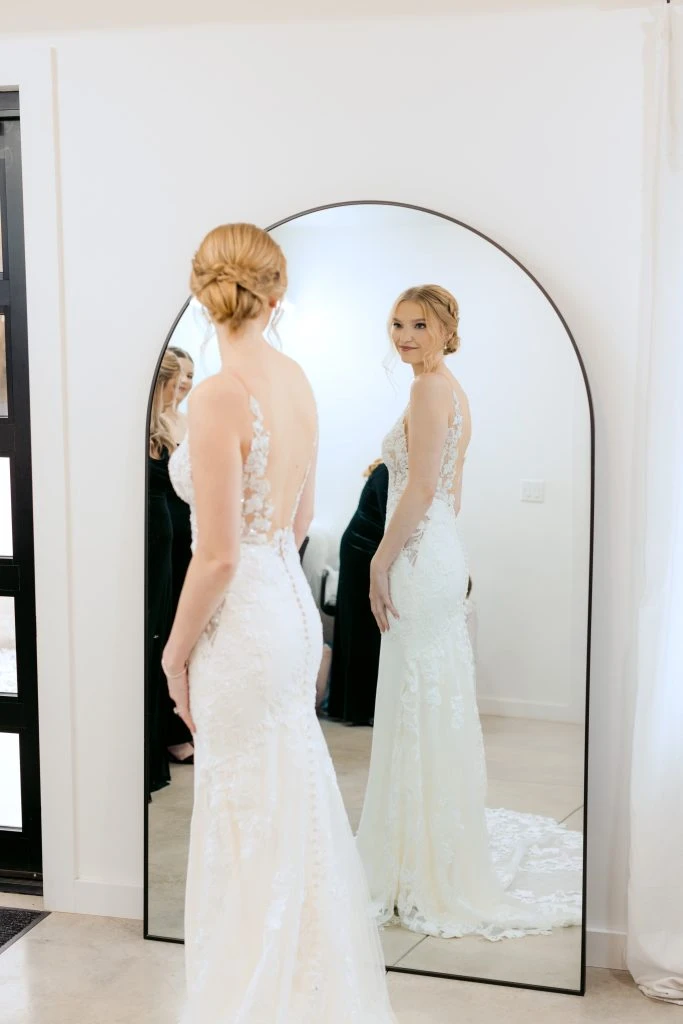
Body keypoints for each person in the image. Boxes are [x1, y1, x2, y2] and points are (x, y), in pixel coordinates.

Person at [162, 223, 396, 1022]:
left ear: (201, 289)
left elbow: (217, 556)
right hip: (289, 606)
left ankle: (252, 999)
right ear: (276, 292)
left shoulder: (219, 394)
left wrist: (173, 651)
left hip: (245, 617)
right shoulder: (295, 381)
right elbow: (294, 522)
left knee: (241, 813)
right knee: (285, 800)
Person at [356, 284, 581, 940]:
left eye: (417, 324)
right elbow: (447, 488)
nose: (403, 336)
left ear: (445, 327)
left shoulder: (430, 389)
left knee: (415, 702)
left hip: (421, 559)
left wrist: (378, 561)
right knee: (421, 702)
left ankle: (419, 862)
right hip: (439, 553)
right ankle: (422, 847)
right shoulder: (447, 387)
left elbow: (424, 487)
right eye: (395, 323)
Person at [326, 459, 389, 726]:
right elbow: (393, 518)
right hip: (360, 552)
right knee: (361, 629)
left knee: (366, 629)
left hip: (370, 550)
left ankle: (354, 706)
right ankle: (356, 708)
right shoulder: (390, 470)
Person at [146, 349, 181, 796]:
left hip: (166, 552)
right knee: (150, 643)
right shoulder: (138, 430)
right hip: (149, 552)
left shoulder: (160, 430)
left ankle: (154, 753)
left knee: (160, 641)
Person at [164, 346, 197, 764]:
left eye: (192, 375)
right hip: (166, 526)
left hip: (191, 525)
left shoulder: (190, 421)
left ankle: (185, 720)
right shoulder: (154, 423)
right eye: (181, 374)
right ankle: (170, 730)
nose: (187, 382)